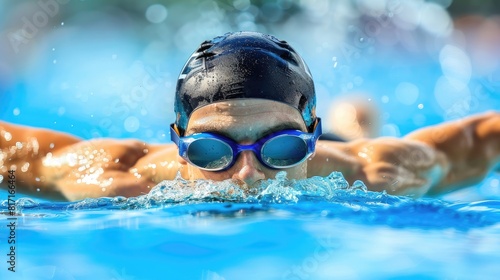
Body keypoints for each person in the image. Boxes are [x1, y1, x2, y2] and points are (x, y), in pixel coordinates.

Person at [1, 31, 499, 201]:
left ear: (310, 137)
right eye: (212, 151)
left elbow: (483, 139)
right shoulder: (117, 178)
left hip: (343, 143)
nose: (247, 175)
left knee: (360, 127)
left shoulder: (374, 173)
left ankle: (351, 117)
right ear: (178, 141)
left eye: (280, 148)